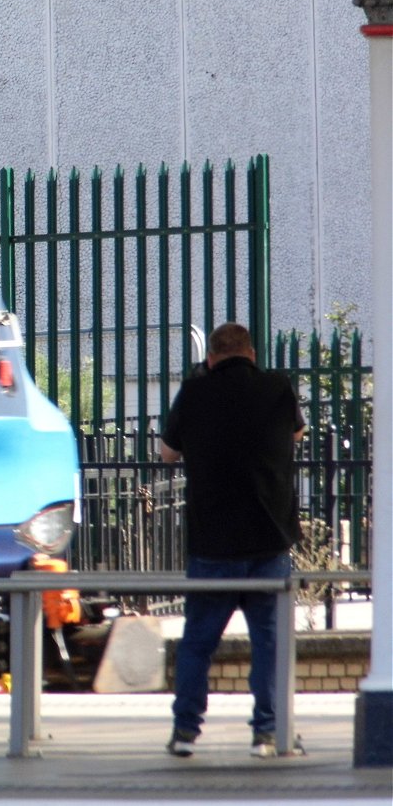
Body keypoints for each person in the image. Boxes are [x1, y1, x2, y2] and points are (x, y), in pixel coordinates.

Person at [158, 322, 305, 759]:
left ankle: (185, 731)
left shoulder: (194, 391)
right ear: (251, 353)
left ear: (211, 357)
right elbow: (297, 434)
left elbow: (167, 453)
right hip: (269, 537)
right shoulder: (278, 388)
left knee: (198, 642)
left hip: (213, 542)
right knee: (270, 643)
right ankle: (269, 732)